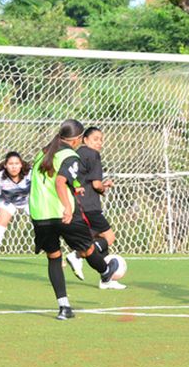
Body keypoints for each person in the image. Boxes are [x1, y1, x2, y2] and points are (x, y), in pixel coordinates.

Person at [29, 119, 121, 320]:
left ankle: (64, 307)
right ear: (78, 139)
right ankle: (105, 271)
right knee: (87, 249)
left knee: (54, 258)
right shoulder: (70, 155)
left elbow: (47, 181)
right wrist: (68, 208)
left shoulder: (42, 154)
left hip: (40, 214)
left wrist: (76, 187)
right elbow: (60, 182)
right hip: (62, 213)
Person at [65, 127, 123, 289]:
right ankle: (77, 255)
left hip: (77, 204)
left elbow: (85, 182)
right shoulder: (93, 155)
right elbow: (96, 184)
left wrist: (101, 186)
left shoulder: (76, 155)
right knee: (109, 237)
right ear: (85, 139)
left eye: (101, 140)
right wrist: (103, 187)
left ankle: (106, 278)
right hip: (90, 206)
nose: (99, 143)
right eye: (95, 139)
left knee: (95, 238)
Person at [0, 151, 32, 269]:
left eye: (17, 163)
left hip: (28, 201)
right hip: (8, 202)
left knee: (43, 225)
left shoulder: (30, 174)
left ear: (21, 164)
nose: (14, 167)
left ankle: (56, 256)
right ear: (5, 165)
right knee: (1, 224)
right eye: (11, 164)